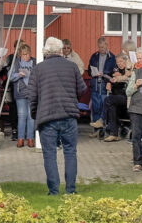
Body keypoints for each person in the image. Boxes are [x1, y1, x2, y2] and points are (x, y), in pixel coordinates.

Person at [28, 37, 86, 196]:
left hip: (47, 117)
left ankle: (54, 191)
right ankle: (70, 190)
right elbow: (82, 89)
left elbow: (32, 96)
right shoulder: (72, 66)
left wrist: (35, 114)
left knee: (49, 154)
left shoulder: (38, 69)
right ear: (61, 50)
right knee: (70, 152)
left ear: (46, 51)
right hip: (68, 115)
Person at [87, 36, 117, 133]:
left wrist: (106, 76)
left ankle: (105, 130)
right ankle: (96, 131)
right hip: (95, 84)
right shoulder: (94, 56)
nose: (101, 49)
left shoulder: (112, 57)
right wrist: (93, 73)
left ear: (107, 46)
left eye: (103, 47)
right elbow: (89, 70)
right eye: (99, 47)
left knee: (105, 107)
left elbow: (114, 73)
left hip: (105, 85)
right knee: (96, 108)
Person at [9, 44, 35, 148]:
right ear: (20, 54)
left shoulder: (35, 62)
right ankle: (20, 139)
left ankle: (30, 138)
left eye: (27, 54)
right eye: (24, 54)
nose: (26, 56)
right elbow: (10, 77)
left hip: (32, 92)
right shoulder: (16, 63)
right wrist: (18, 75)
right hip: (20, 93)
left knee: (31, 116)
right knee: (22, 115)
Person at [102, 53, 131, 142]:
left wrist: (119, 77)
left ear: (126, 61)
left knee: (108, 100)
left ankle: (102, 120)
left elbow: (127, 78)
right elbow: (108, 76)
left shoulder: (128, 70)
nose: (119, 64)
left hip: (126, 98)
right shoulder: (115, 69)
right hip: (116, 98)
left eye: (121, 61)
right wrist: (108, 82)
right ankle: (114, 134)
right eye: (117, 62)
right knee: (112, 106)